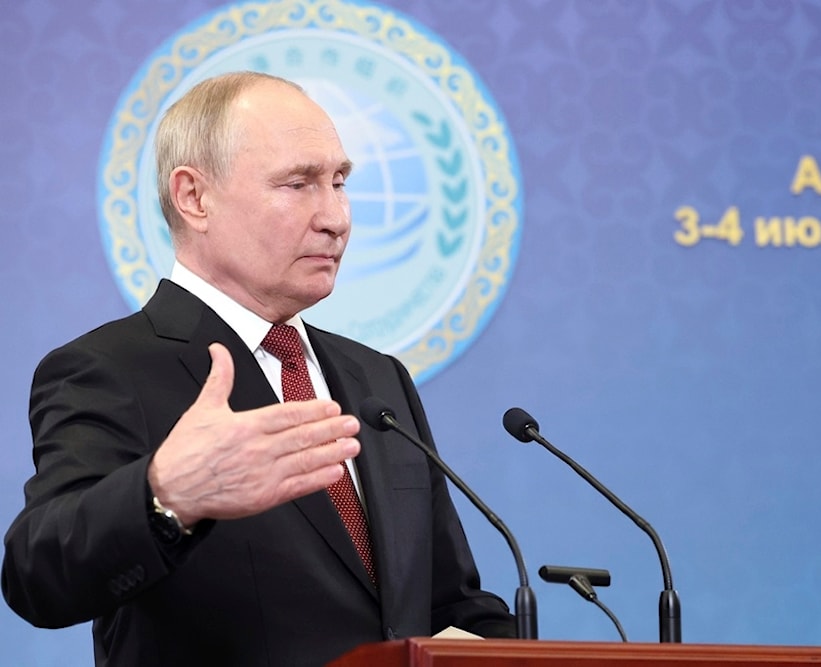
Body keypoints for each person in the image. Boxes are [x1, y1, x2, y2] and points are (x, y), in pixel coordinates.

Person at [2, 71, 516, 666]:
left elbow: (447, 603)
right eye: (298, 184)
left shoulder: (378, 380)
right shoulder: (107, 369)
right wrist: (166, 495)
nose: (336, 218)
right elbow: (39, 575)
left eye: (339, 182)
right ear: (194, 197)